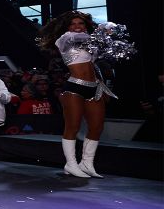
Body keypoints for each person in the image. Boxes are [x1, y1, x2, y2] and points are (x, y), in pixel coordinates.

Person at [38, 11, 112, 177]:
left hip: (94, 87)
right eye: (73, 24)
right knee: (73, 126)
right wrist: (103, 31)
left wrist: (102, 84)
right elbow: (83, 38)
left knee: (97, 127)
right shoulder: (65, 39)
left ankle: (86, 163)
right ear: (68, 27)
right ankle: (71, 164)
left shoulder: (91, 43)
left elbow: (93, 64)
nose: (77, 27)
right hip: (74, 87)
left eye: (81, 24)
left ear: (85, 25)